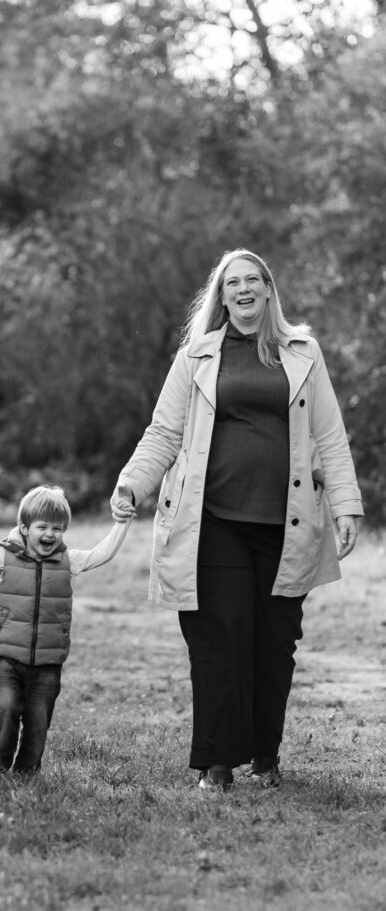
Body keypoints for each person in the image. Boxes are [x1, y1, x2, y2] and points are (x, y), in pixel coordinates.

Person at [110, 248, 363, 792]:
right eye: (233, 283)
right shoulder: (198, 356)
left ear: (269, 290)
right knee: (219, 638)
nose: (244, 290)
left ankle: (265, 756)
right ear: (222, 297)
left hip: (287, 524)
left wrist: (346, 504)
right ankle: (218, 763)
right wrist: (132, 481)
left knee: (274, 644)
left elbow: (329, 436)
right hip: (213, 521)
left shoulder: (303, 353)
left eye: (253, 280)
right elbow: (164, 433)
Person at [0, 485, 131, 780]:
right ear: (24, 528)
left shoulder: (69, 562)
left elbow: (101, 554)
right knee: (5, 706)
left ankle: (27, 773)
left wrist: (122, 523)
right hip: (9, 660)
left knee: (38, 722)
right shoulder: (5, 557)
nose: (50, 534)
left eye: (58, 528)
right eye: (43, 526)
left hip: (48, 665)